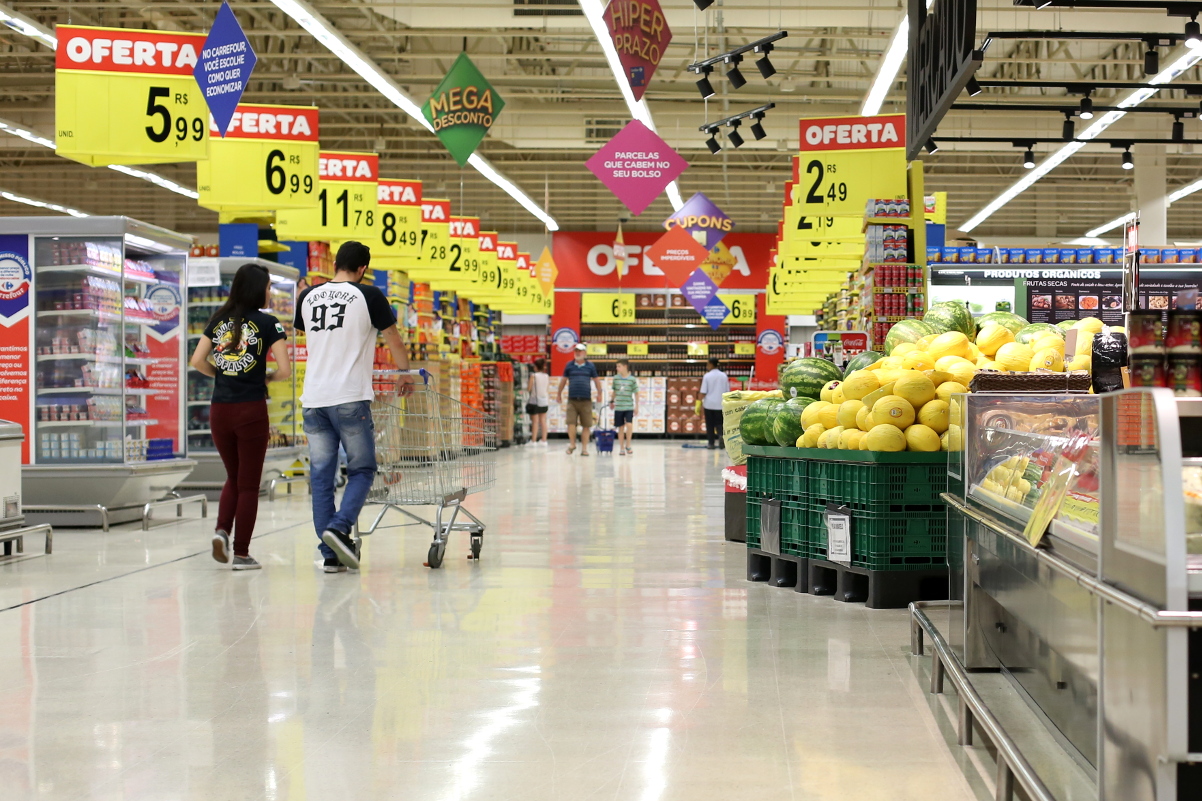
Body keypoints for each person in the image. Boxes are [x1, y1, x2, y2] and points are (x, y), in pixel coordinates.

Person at [295, 241, 414, 573]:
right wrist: (404, 373)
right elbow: (393, 339)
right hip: (349, 397)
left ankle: (330, 554)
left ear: (335, 264)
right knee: (362, 469)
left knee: (321, 477)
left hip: (314, 399)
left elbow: (309, 335)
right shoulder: (369, 295)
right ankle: (339, 527)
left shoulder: (307, 297)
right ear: (363, 269)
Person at [189, 263, 292, 570]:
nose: (270, 292)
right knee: (248, 484)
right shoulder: (269, 323)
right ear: (258, 289)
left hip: (219, 409)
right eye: (269, 286)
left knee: (233, 477)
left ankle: (221, 531)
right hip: (251, 410)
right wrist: (266, 378)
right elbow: (285, 370)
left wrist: (222, 375)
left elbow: (197, 360)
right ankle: (242, 554)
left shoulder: (219, 319)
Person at [556, 343, 602, 456]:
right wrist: (559, 394)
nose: (578, 353)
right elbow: (563, 380)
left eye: (580, 351)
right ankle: (572, 444)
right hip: (572, 400)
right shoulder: (569, 365)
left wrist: (599, 393)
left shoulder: (590, 366)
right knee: (570, 423)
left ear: (585, 353)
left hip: (586, 400)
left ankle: (584, 449)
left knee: (586, 425)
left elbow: (596, 380)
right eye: (576, 351)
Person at [700, 357, 730, 449]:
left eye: (707, 364)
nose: (707, 366)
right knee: (720, 424)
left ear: (711, 364)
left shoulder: (707, 376)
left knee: (710, 425)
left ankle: (711, 443)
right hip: (720, 404)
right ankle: (721, 437)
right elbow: (727, 391)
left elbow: (703, 391)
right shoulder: (724, 376)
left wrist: (699, 403)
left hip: (709, 404)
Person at [609, 359, 638, 456]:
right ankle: (621, 447)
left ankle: (628, 444)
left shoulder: (632, 379)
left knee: (629, 425)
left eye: (619, 366)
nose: (617, 368)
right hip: (619, 407)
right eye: (616, 366)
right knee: (620, 427)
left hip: (628, 406)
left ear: (625, 366)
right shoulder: (616, 378)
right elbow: (614, 391)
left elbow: (636, 393)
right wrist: (612, 401)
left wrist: (637, 406)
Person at [526, 357, 550, 446]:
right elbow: (547, 388)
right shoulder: (546, 376)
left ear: (536, 367)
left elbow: (529, 388)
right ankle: (544, 440)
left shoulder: (533, 376)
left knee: (535, 421)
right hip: (544, 401)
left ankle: (533, 441)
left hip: (534, 401)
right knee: (543, 421)